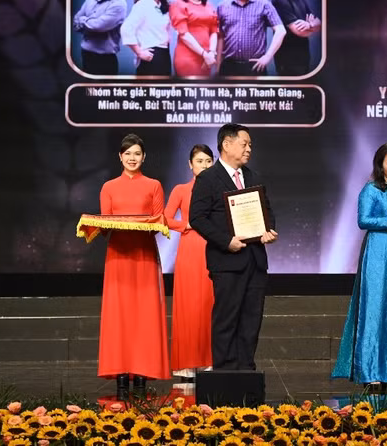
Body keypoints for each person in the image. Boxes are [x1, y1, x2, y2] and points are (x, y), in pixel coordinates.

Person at [189, 123, 278, 370]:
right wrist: (226, 241)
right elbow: (197, 218)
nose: (249, 149)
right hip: (227, 261)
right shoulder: (207, 178)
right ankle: (225, 373)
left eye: (250, 145)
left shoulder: (253, 177)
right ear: (226, 145)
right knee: (226, 319)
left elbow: (267, 212)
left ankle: (246, 371)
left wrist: (268, 231)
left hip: (256, 261)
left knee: (251, 320)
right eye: (244, 143)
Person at [332, 142, 387, 390]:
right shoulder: (371, 190)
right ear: (380, 165)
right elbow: (363, 221)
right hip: (377, 253)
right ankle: (370, 372)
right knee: (374, 308)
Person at [98, 134, 170, 399]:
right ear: (120, 157)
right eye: (128, 154)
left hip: (144, 257)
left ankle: (141, 375)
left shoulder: (154, 185)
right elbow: (105, 225)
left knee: (144, 316)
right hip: (118, 259)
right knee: (119, 316)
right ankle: (119, 376)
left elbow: (158, 222)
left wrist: (146, 224)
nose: (132, 158)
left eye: (137, 154)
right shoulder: (108, 187)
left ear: (144, 157)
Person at [164, 144, 215, 381]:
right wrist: (186, 224)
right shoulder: (181, 190)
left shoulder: (218, 189)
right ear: (190, 164)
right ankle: (186, 363)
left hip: (213, 248)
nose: (204, 165)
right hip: (189, 249)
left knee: (210, 304)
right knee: (188, 306)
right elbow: (164, 218)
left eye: (207, 161)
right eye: (199, 161)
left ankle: (209, 361)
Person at [217, 0, 286, 76]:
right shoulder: (222, 6)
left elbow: (281, 31)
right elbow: (220, 36)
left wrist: (267, 57)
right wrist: (218, 66)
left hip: (254, 67)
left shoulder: (264, 5)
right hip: (228, 66)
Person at [73, 0, 127, 75]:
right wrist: (86, 22)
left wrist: (83, 21)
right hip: (86, 55)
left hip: (105, 61)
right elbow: (75, 21)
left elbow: (98, 26)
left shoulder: (119, 3)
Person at [271, 0, 321, 76]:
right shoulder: (280, 0)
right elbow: (299, 32)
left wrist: (309, 25)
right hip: (287, 61)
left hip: (303, 57)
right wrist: (313, 27)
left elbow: (319, 23)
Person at [121, 0, 172, 76]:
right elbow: (126, 29)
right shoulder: (142, 5)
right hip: (151, 55)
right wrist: (139, 52)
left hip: (165, 54)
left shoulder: (164, 5)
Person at [169, 0, 218, 77]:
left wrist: (211, 53)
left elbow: (214, 31)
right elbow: (184, 34)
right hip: (187, 58)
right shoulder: (178, 4)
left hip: (207, 59)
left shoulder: (209, 5)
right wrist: (203, 53)